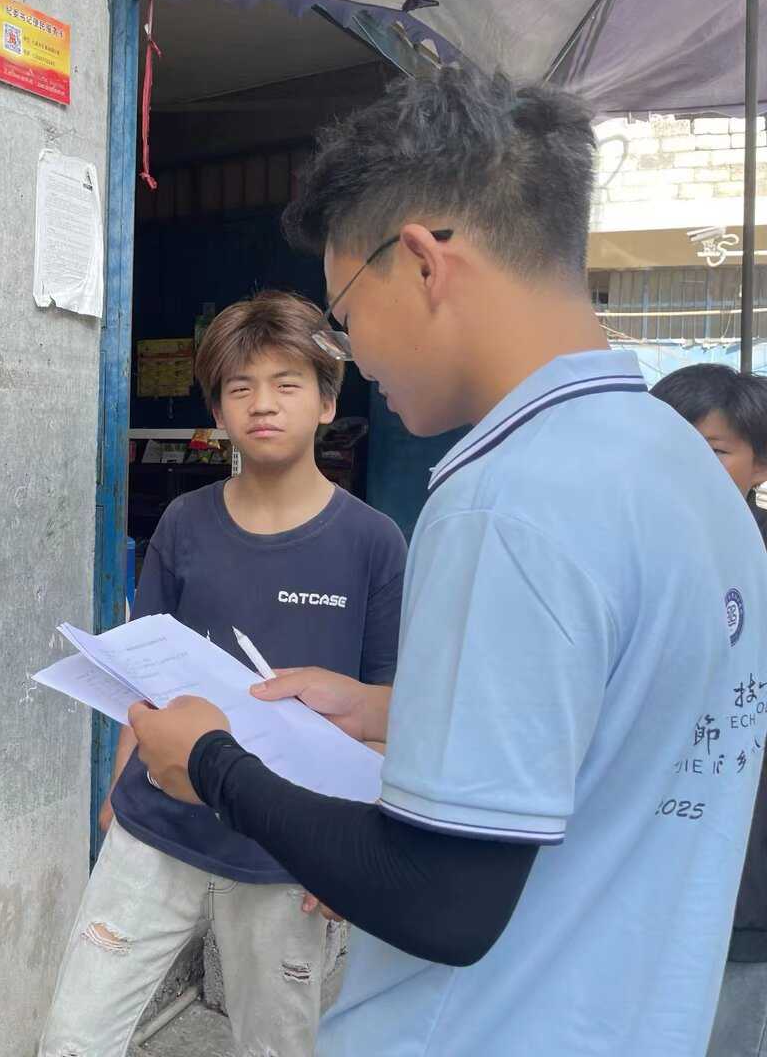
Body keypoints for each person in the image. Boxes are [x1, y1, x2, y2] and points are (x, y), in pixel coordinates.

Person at [128, 68, 767, 1056]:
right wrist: (389, 711)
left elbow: (441, 899)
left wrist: (212, 764)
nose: (356, 355)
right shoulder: (682, 467)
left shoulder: (507, 499)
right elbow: (618, 729)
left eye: (345, 314)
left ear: (423, 262)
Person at [38, 292, 406, 1056]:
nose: (262, 404)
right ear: (217, 409)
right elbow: (142, 675)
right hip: (156, 828)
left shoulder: (373, 542)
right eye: (240, 388)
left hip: (288, 850)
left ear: (327, 401)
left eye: (286, 384)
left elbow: (386, 705)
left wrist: (349, 853)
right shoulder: (185, 522)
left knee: (276, 1045)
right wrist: (117, 796)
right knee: (75, 1036)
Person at [652, 364, 767, 1056]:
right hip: (639, 858)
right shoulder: (625, 548)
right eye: (673, 443)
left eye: (716, 450)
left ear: (760, 464)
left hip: (746, 870)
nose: (690, 464)